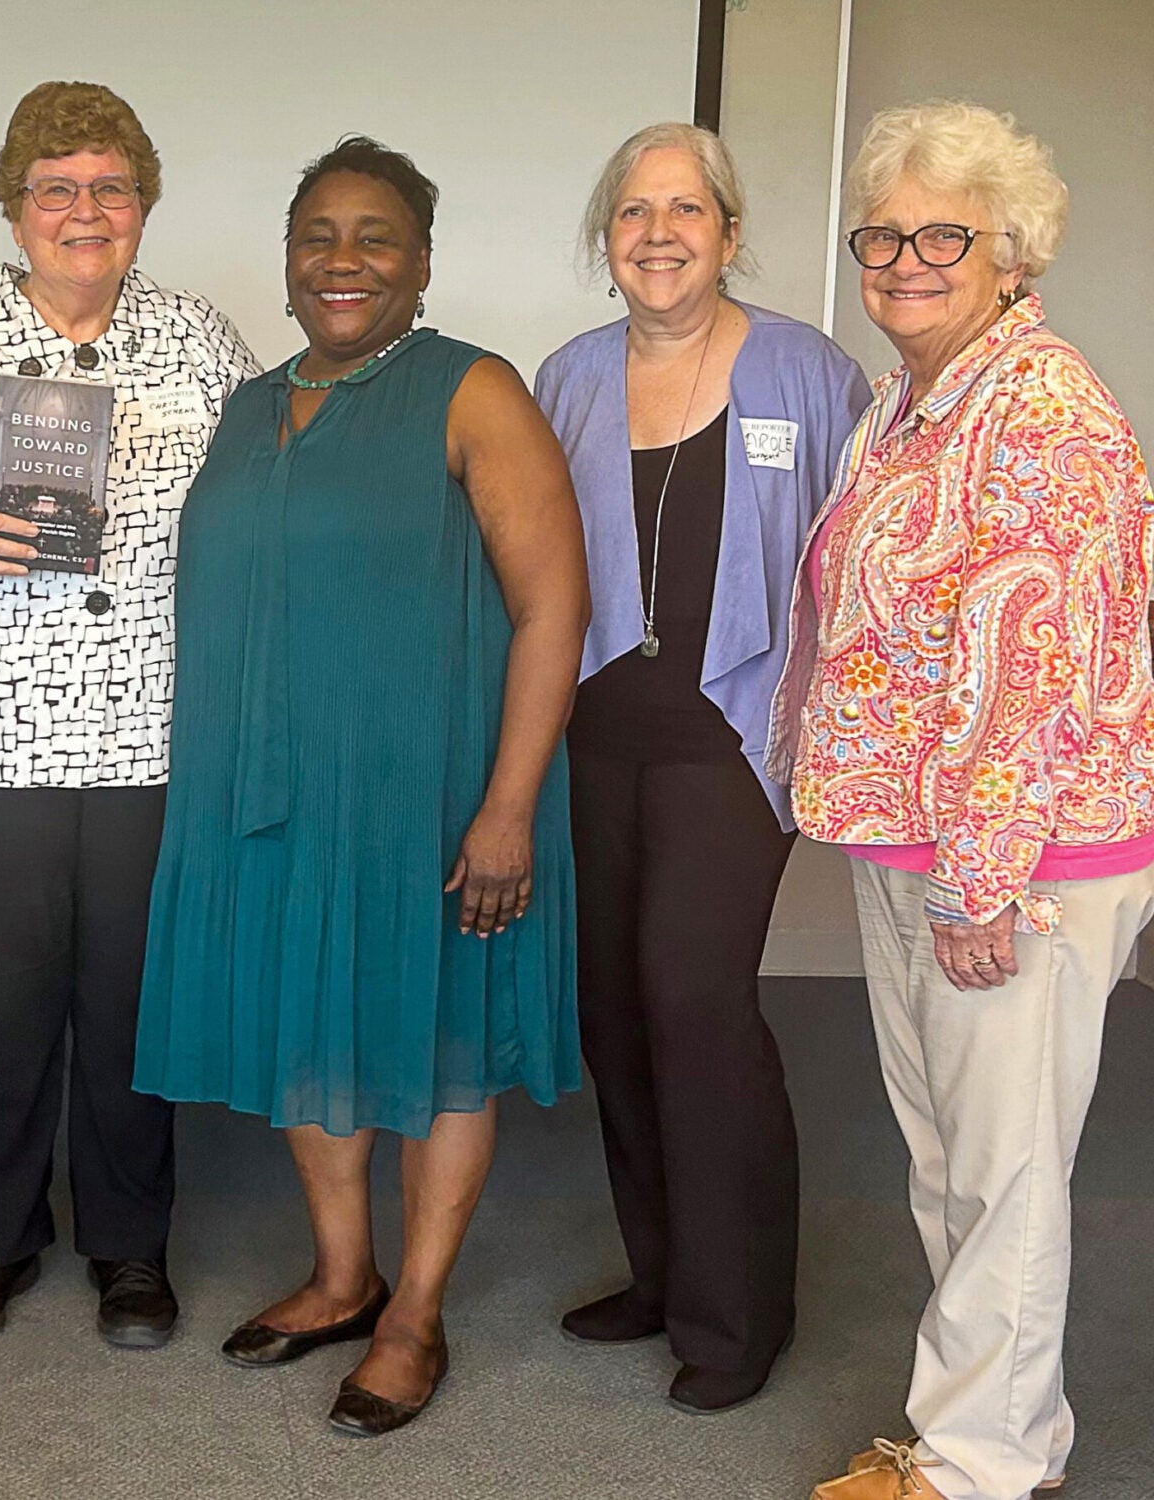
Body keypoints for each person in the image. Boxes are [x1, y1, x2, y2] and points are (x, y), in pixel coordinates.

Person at [134, 137, 589, 1435]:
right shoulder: (246, 407)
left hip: (428, 795)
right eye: (316, 237)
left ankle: (415, 1314)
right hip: (274, 793)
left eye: (374, 236)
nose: (342, 261)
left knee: (438, 1041)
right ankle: (343, 1278)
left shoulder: (471, 390)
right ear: (287, 262)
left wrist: (507, 808)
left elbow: (553, 608)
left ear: (422, 261)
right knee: (311, 1029)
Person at [772, 103, 1154, 1500]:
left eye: (944, 235)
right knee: (950, 1155)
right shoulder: (914, 399)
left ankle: (976, 1465)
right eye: (882, 236)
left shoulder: (1039, 407)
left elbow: (1029, 663)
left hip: (1016, 856)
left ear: (1011, 252)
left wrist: (984, 880)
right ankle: (1002, 1435)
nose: (905, 261)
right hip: (921, 837)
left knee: (1001, 1169)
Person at [0, 80, 257, 1352]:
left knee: (134, 1002)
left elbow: (267, 503)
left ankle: (130, 1248)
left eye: (110, 188)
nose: (84, 212)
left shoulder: (198, 339)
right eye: (55, 189)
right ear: (14, 206)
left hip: (151, 730)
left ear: (142, 205)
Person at [533, 123, 870, 1413]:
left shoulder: (807, 369)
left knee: (692, 998)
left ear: (727, 233)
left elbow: (860, 560)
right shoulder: (567, 378)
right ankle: (660, 1275)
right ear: (603, 237)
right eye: (632, 211)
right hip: (592, 736)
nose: (657, 234)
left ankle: (736, 1317)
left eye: (685, 210)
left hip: (730, 740)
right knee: (612, 1007)